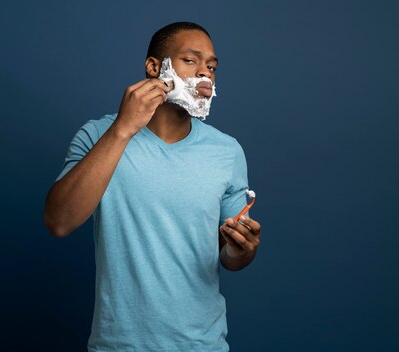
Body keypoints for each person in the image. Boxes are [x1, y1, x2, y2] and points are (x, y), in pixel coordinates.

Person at [43, 21, 262, 352]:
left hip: (203, 345)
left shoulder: (227, 151)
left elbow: (229, 256)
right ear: (154, 67)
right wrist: (123, 129)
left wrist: (241, 248)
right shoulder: (97, 135)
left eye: (212, 66)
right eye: (191, 60)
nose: (205, 74)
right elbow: (59, 221)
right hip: (119, 345)